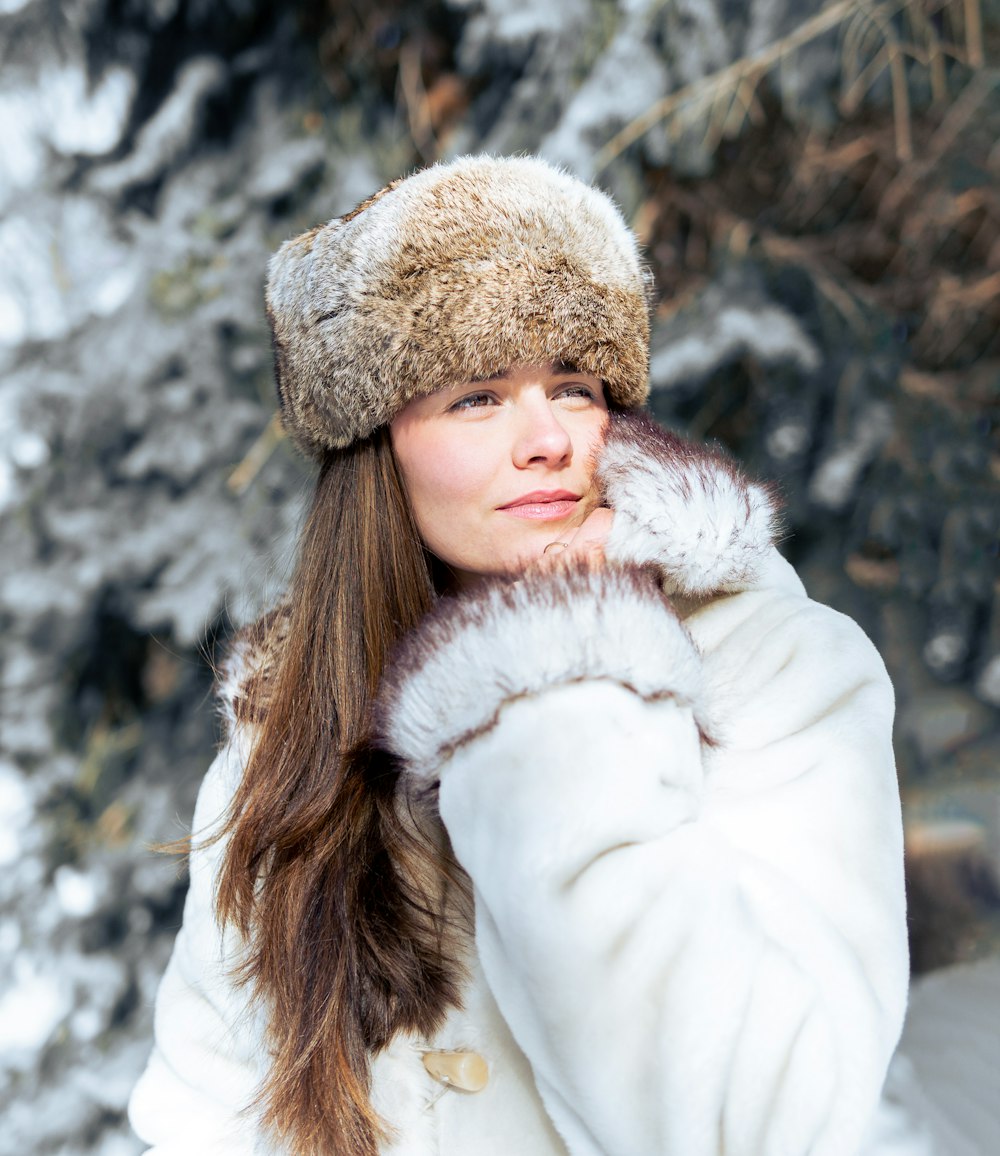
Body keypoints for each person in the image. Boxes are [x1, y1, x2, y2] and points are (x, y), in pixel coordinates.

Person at [128, 154, 910, 1156]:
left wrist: (565, 677)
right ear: (375, 446)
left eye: (573, 387)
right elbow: (206, 1121)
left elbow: (756, 1129)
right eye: (478, 396)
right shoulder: (286, 731)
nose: (547, 439)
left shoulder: (776, 669)